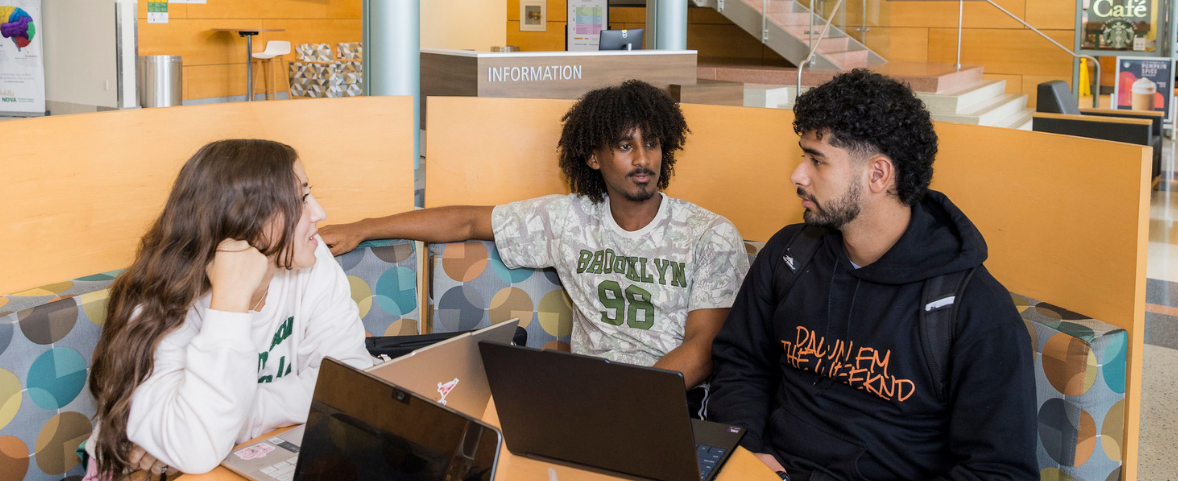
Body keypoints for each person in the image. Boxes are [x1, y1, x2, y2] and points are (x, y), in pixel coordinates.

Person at [321, 80, 749, 417]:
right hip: (583, 394)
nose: (643, 159)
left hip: (671, 398)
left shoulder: (709, 234)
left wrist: (628, 402)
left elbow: (702, 348)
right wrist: (364, 228)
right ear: (594, 157)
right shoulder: (569, 219)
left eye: (652, 143)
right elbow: (468, 220)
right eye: (625, 146)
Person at [707, 70, 1038, 481]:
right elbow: (741, 363)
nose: (798, 174)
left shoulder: (975, 310)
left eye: (817, 159)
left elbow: (999, 471)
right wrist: (747, 451)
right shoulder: (790, 254)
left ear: (878, 175)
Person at [86, 139, 374, 480]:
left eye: (308, 194)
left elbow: (350, 386)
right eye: (299, 201)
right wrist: (230, 301)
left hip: (244, 452)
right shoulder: (162, 297)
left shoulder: (313, 261)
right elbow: (196, 450)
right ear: (244, 219)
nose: (319, 214)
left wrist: (230, 419)